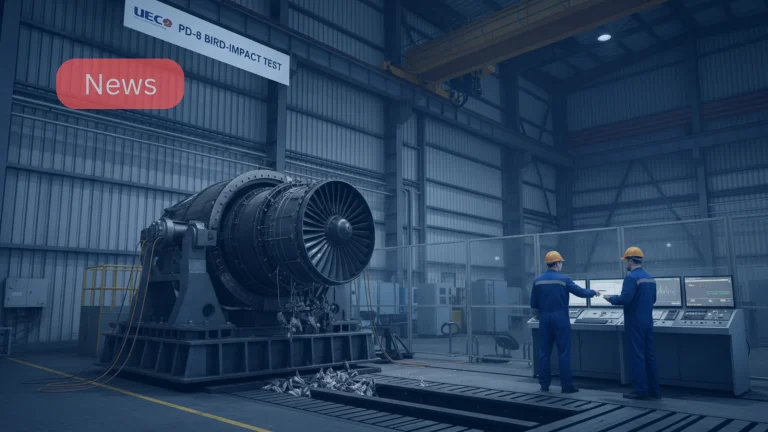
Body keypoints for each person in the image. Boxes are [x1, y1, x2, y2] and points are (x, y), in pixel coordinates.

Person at [530, 251, 599, 393]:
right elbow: (580, 292)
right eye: (561, 262)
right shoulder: (564, 279)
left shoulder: (538, 280)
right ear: (557, 263)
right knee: (564, 353)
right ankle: (566, 386)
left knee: (543, 352)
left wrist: (541, 316)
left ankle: (544, 385)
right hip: (561, 319)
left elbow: (533, 305)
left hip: (544, 319)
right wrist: (594, 292)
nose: (561, 265)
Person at [606, 246, 662, 400]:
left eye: (626, 261)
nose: (626, 263)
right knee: (649, 355)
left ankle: (640, 391)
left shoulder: (631, 278)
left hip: (634, 322)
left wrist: (610, 298)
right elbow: (654, 299)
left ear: (630, 260)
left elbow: (625, 299)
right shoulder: (650, 278)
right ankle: (654, 390)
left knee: (637, 355)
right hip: (647, 321)